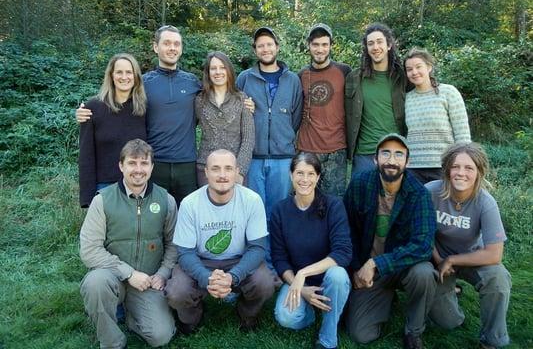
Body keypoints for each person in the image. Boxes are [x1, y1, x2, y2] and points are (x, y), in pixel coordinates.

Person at [77, 25, 202, 208]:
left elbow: (214, 103)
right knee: (153, 220)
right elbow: (116, 104)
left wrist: (245, 102)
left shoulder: (193, 82)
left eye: (177, 44)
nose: (172, 48)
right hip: (152, 165)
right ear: (155, 47)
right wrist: (85, 111)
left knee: (188, 220)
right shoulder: (142, 83)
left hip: (187, 164)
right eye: (166, 43)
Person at [79, 139, 177, 348]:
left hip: (148, 281)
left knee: (161, 336)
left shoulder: (165, 200)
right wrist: (129, 273)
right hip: (112, 275)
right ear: (121, 166)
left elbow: (173, 244)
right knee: (94, 284)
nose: (138, 170)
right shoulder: (102, 200)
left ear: (152, 167)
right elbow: (89, 250)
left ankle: (134, 316)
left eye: (144, 163)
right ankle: (112, 341)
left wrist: (163, 273)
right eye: (132, 163)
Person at [165, 149, 275, 333]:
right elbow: (185, 253)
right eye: (216, 169)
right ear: (206, 172)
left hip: (238, 259)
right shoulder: (190, 203)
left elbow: (257, 248)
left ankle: (247, 315)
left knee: (265, 282)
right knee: (177, 291)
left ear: (237, 171)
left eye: (228, 169)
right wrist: (206, 278)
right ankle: (191, 319)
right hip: (201, 260)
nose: (222, 175)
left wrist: (233, 276)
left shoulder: (252, 200)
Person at [343, 133, 436, 349]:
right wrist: (356, 269)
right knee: (360, 334)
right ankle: (385, 297)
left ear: (407, 161)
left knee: (424, 273)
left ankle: (413, 331)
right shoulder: (360, 184)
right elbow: (346, 232)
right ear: (375, 159)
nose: (391, 161)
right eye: (385, 153)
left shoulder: (419, 193)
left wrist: (377, 263)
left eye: (398, 154)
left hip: (403, 267)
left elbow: (423, 244)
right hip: (370, 272)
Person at [426, 143, 511, 349]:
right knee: (448, 322)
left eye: (469, 168)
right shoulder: (430, 192)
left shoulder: (485, 202)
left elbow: (494, 254)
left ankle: (492, 340)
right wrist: (439, 260)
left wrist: (453, 260)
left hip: (472, 257)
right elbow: (420, 233)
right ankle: (451, 295)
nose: (461, 173)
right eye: (455, 166)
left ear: (478, 172)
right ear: (447, 169)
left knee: (498, 279)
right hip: (437, 258)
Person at [236, 26, 303, 267]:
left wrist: (282, 138)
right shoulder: (245, 78)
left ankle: (276, 263)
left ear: (277, 46)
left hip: (283, 157)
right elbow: (237, 112)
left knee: (277, 213)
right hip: (252, 157)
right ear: (255, 50)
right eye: (260, 45)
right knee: (254, 213)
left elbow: (295, 118)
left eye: (269, 44)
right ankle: (256, 264)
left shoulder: (292, 80)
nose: (265, 49)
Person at [271, 152, 352, 349]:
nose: (304, 179)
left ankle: (327, 336)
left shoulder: (333, 206)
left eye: (310, 174)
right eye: (299, 173)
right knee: (286, 317)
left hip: (328, 279)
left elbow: (343, 252)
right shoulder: (280, 211)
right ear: (291, 176)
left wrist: (303, 273)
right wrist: (300, 288)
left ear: (317, 177)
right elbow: (279, 259)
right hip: (299, 283)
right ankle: (312, 310)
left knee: (339, 276)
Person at [78, 53, 147, 208]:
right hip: (104, 188)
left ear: (135, 76)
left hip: (138, 185)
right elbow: (86, 157)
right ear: (111, 75)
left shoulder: (144, 109)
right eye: (119, 72)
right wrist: (87, 198)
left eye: (129, 72)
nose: (124, 77)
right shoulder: (93, 108)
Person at [345, 23, 411, 177]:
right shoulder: (355, 78)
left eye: (379, 42)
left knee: (394, 200)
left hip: (395, 152)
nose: (375, 47)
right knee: (361, 200)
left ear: (388, 45)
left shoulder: (402, 78)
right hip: (364, 154)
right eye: (370, 43)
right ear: (366, 49)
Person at [296, 24, 352, 196]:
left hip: (336, 150)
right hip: (307, 149)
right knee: (306, 200)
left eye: (324, 44)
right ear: (309, 45)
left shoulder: (344, 71)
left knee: (334, 203)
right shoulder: (302, 75)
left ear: (331, 46)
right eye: (315, 45)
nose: (320, 49)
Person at [404, 48, 471, 184]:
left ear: (429, 67)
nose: (414, 72)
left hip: (444, 166)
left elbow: (462, 133)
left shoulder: (448, 92)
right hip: (413, 168)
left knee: (444, 205)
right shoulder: (406, 98)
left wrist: (461, 164)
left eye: (418, 67)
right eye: (409, 69)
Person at [195, 51, 254, 186]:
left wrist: (240, 171)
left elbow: (248, 139)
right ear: (208, 72)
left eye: (222, 67)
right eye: (213, 68)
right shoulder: (199, 100)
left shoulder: (242, 99)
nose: (218, 72)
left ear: (229, 71)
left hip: (234, 168)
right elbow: (187, 129)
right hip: (206, 168)